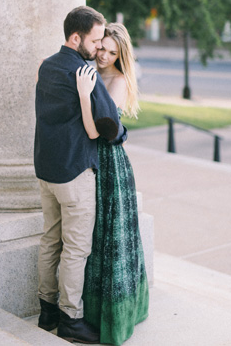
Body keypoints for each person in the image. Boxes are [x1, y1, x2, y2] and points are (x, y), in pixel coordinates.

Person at [34, 5, 125, 344]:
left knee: (49, 240)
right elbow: (110, 127)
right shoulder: (83, 73)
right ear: (76, 38)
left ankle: (46, 310)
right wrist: (121, 134)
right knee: (75, 249)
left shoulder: (47, 66)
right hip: (74, 174)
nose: (99, 47)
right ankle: (71, 319)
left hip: (46, 171)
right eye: (96, 39)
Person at [77, 22, 149, 344]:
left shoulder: (117, 81)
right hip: (88, 161)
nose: (103, 55)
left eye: (111, 52)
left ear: (121, 55)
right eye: (101, 48)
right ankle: (90, 312)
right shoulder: (88, 69)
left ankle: (114, 319)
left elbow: (99, 130)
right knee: (92, 236)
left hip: (110, 164)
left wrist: (82, 95)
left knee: (111, 238)